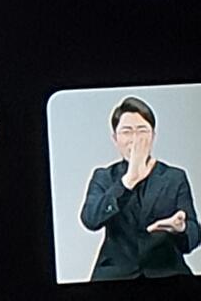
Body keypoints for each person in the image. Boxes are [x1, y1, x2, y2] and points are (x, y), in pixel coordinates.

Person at [79, 97, 200, 280]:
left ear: (153, 136)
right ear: (115, 138)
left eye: (142, 131)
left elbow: (193, 236)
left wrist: (181, 228)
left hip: (166, 271)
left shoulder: (174, 177)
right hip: (116, 275)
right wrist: (128, 181)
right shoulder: (104, 176)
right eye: (127, 132)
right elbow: (90, 220)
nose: (135, 139)